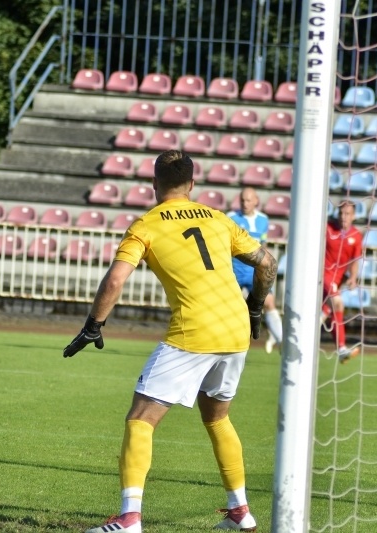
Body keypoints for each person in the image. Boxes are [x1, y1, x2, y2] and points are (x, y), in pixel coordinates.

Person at [63, 150, 277, 533]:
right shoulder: (219, 218)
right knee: (218, 418)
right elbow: (267, 263)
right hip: (235, 330)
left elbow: (115, 280)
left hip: (193, 332)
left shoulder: (146, 225)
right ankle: (240, 512)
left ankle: (129, 518)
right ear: (192, 184)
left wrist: (94, 325)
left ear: (154, 184)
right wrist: (256, 307)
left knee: (141, 418)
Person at [227, 187, 284, 354]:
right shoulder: (231, 217)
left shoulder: (263, 220)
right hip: (236, 271)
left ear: (256, 201)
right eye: (242, 200)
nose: (245, 203)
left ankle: (281, 342)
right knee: (232, 308)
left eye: (248, 200)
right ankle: (230, 346)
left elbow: (263, 245)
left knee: (269, 302)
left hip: (254, 271)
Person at [322, 199, 363, 363]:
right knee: (338, 304)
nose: (343, 217)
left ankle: (290, 337)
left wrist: (353, 277)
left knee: (324, 311)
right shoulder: (327, 228)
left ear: (353, 216)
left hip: (336, 280)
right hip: (322, 275)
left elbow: (355, 260)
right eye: (341, 213)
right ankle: (341, 348)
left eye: (347, 214)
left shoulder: (356, 236)